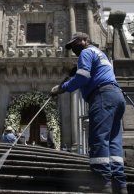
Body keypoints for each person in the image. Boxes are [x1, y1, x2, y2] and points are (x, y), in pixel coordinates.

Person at [50, 32, 127, 194]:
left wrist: (61, 88)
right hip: (116, 96)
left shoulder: (86, 52)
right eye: (71, 47)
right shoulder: (101, 54)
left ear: (85, 40)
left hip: (101, 96)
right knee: (113, 141)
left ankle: (102, 183)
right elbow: (93, 70)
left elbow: (83, 77)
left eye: (75, 43)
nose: (74, 49)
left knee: (98, 138)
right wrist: (76, 70)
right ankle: (119, 184)